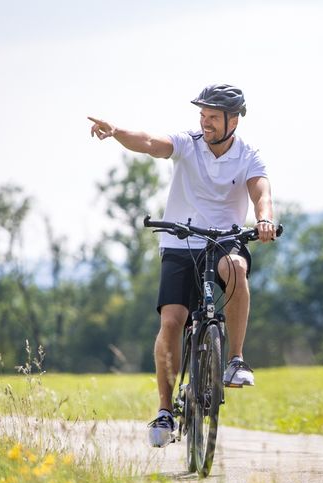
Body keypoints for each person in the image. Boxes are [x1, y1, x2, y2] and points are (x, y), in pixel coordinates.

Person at [88, 84, 277, 447]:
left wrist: (265, 219)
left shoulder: (248, 156)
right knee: (172, 320)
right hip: (179, 240)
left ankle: (235, 359)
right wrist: (116, 132)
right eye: (202, 115)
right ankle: (164, 410)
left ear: (233, 120)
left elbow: (261, 193)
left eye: (213, 117)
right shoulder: (187, 144)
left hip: (224, 239)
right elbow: (149, 142)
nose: (205, 123)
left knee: (236, 270)